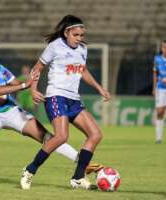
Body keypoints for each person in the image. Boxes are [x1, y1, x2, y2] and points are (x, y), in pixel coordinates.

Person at [0, 38, 102, 189]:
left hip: (12, 111)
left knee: (49, 138)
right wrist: (25, 84)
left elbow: (17, 85)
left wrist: (30, 84)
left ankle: (82, 163)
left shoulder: (0, 68)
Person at [20, 15, 112, 190]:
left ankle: (77, 178)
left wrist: (100, 89)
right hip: (56, 96)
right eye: (76, 35)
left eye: (82, 35)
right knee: (62, 136)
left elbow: (82, 70)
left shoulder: (82, 49)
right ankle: (30, 170)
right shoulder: (54, 47)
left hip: (73, 99)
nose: (79, 38)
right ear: (67, 32)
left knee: (96, 134)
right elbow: (37, 68)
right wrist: (33, 89)